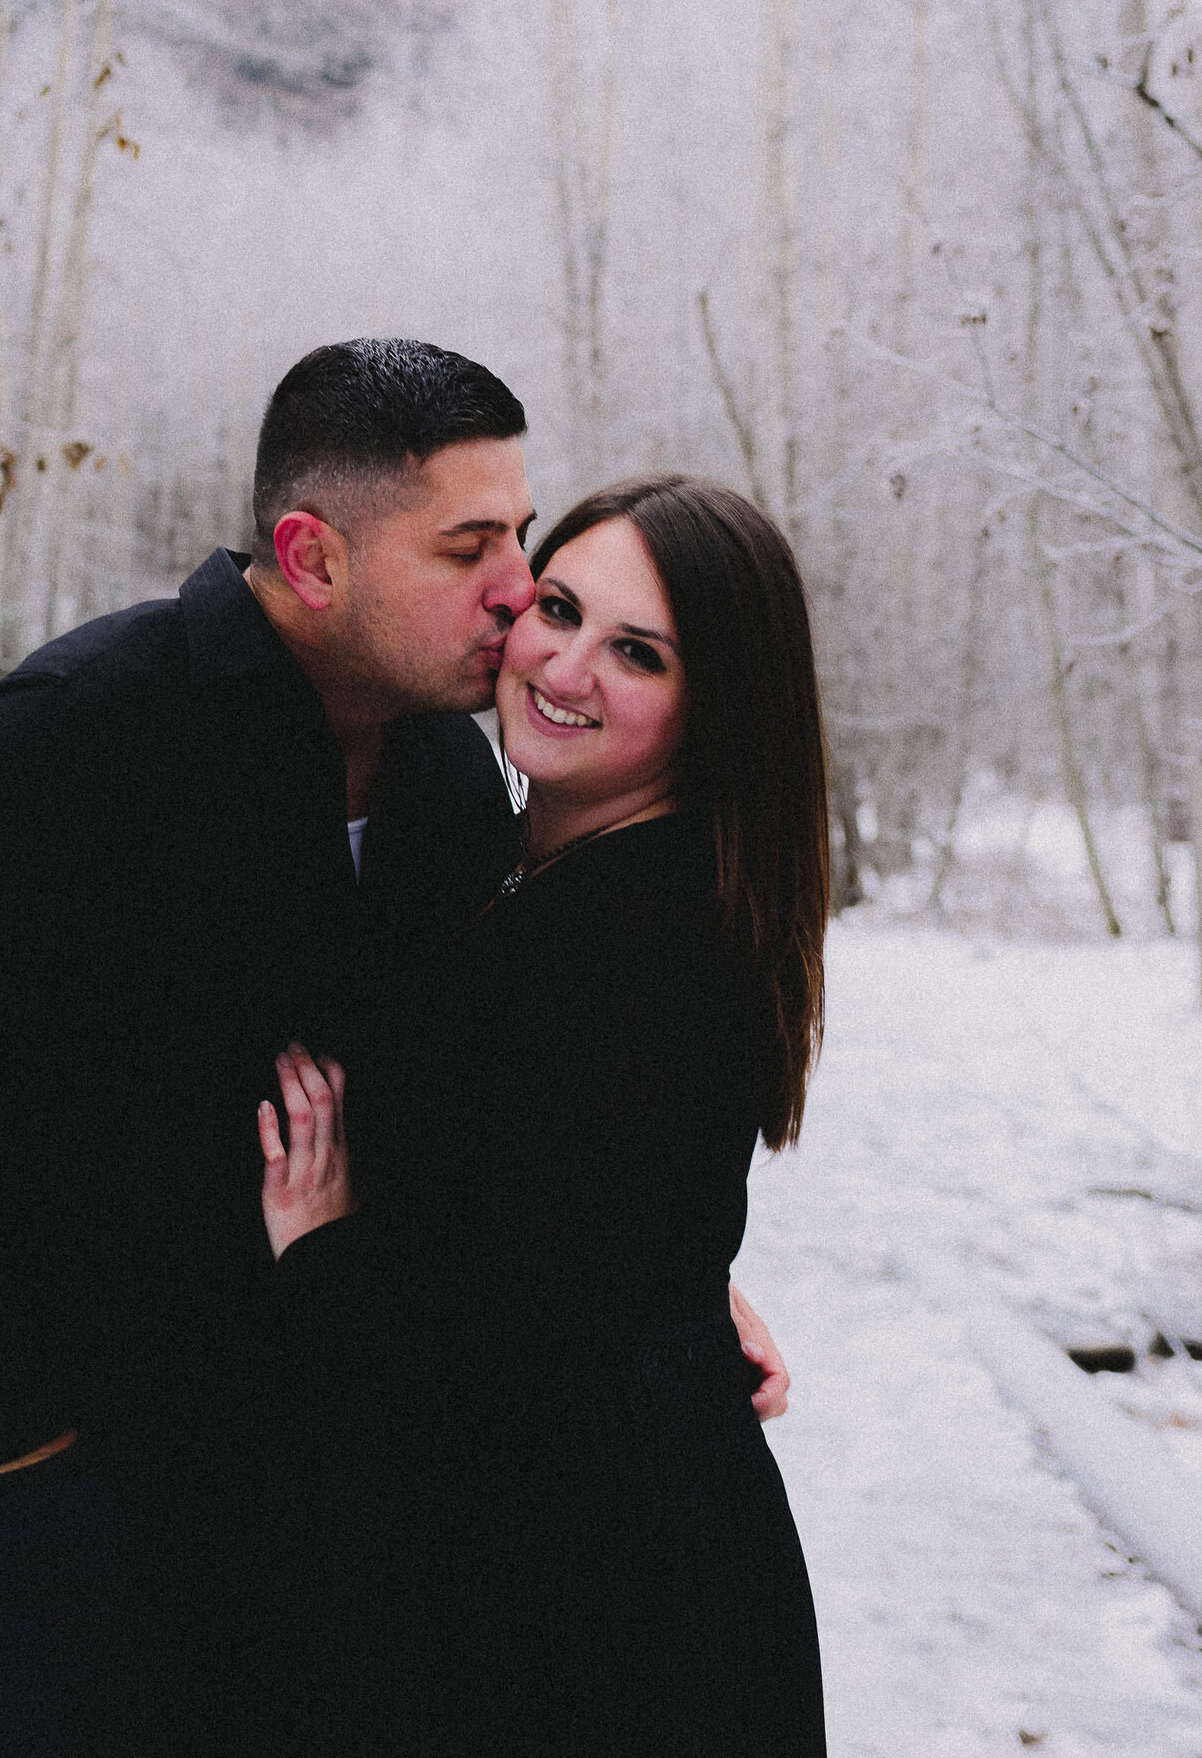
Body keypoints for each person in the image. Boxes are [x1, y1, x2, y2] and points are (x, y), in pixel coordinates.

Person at [0, 341, 791, 1755]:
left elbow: (497, 1097)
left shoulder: (451, 772)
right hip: (55, 1511)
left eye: (519, 529)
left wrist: (649, 1282)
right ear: (313, 558)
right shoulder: (76, 744)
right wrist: (9, 1424)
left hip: (305, 1510)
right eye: (468, 547)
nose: (515, 585)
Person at [261, 473, 828, 1755]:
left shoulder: (624, 939)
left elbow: (488, 1343)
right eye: (555, 608)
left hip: (589, 1609)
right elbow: (580, 1214)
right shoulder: (581, 876)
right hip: (600, 1547)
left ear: (714, 703)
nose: (564, 666)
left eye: (637, 652)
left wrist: (322, 1246)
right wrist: (682, 1289)